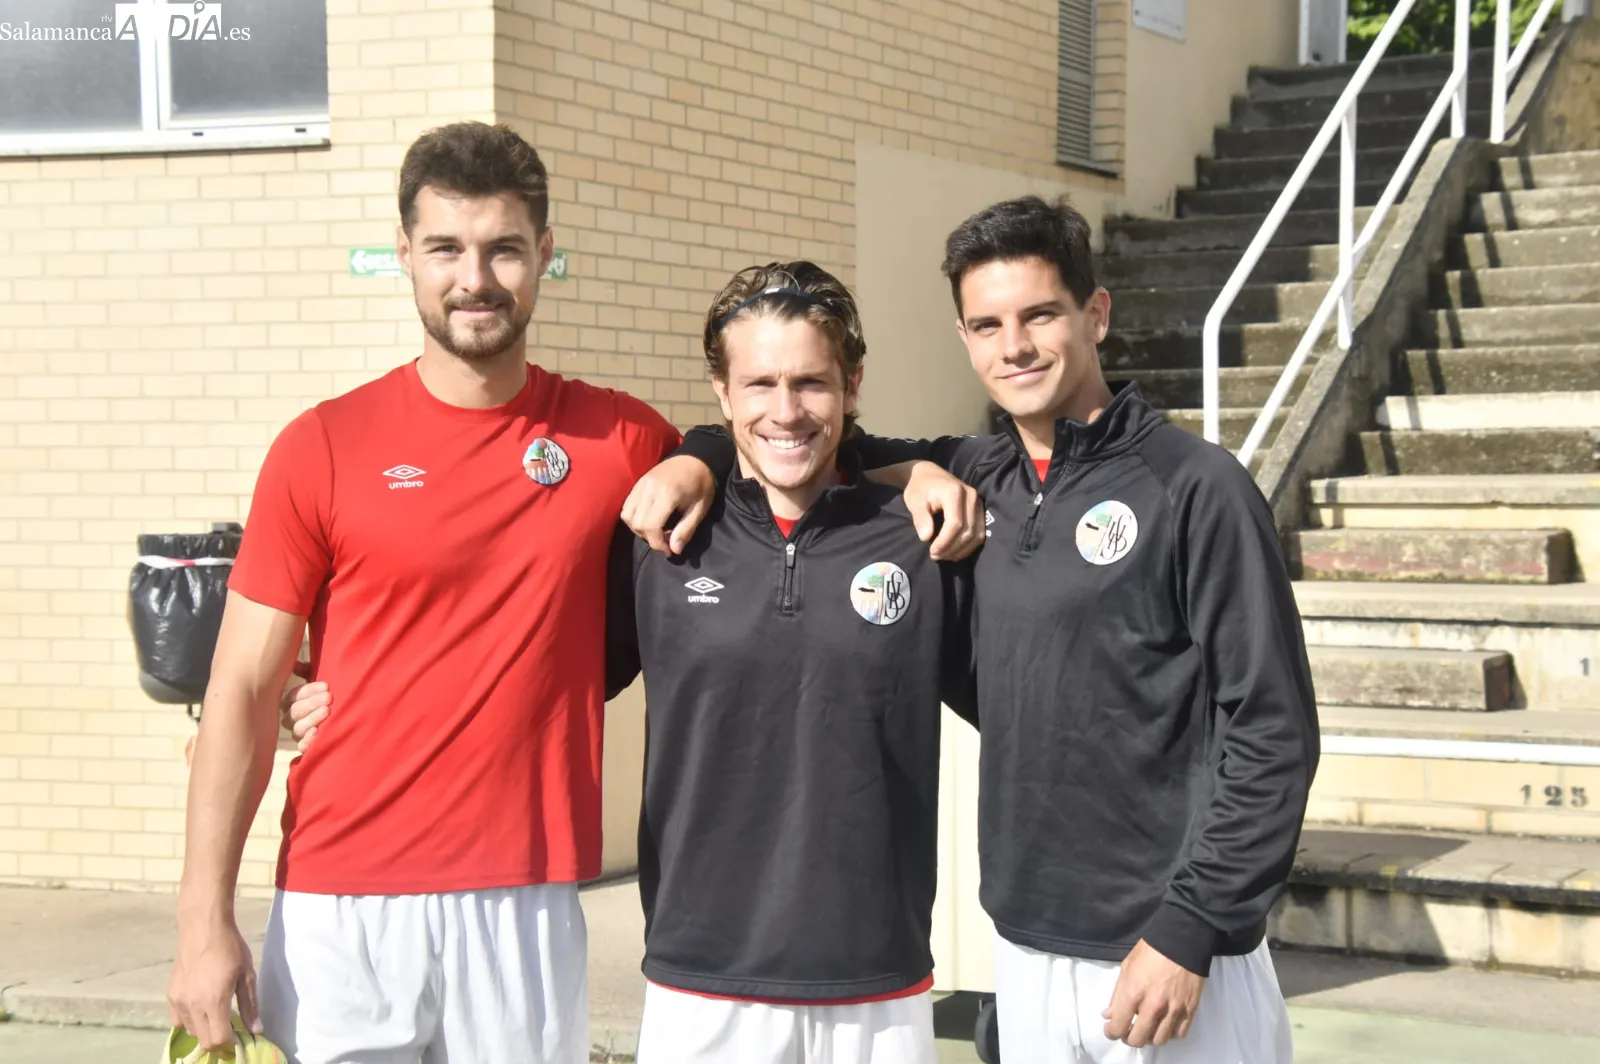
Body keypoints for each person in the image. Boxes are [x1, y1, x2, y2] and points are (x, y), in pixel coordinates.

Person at [633, 196, 1320, 1064]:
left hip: (1168, 948)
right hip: (1028, 945)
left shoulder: (1196, 488)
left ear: (1095, 314)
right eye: (987, 324)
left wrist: (1196, 923)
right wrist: (702, 452)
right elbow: (802, 431)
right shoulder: (975, 477)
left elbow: (1273, 730)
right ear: (964, 339)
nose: (1015, 346)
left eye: (1040, 315)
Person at [285, 261, 980, 1064]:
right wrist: (329, 696)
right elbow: (522, 665)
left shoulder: (924, 533)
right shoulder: (662, 538)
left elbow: (1033, 703)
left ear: (852, 385)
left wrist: (919, 467)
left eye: (811, 384)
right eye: (757, 385)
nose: (784, 411)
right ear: (721, 394)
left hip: (878, 977)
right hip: (701, 978)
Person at [164, 121, 685, 1064]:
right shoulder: (321, 445)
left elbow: (774, 448)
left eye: (504, 250)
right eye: (446, 247)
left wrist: (909, 475)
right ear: (404, 254)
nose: (474, 278)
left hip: (523, 899)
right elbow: (242, 688)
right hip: (340, 900)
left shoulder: (619, 438)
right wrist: (204, 924)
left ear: (546, 256)